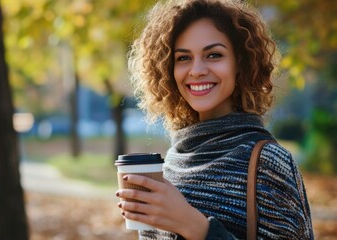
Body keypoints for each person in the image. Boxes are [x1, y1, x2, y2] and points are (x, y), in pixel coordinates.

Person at [115, 0, 314, 239]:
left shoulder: (269, 163)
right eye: (183, 58)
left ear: (240, 64)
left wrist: (193, 225)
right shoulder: (173, 162)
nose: (197, 69)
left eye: (213, 55)